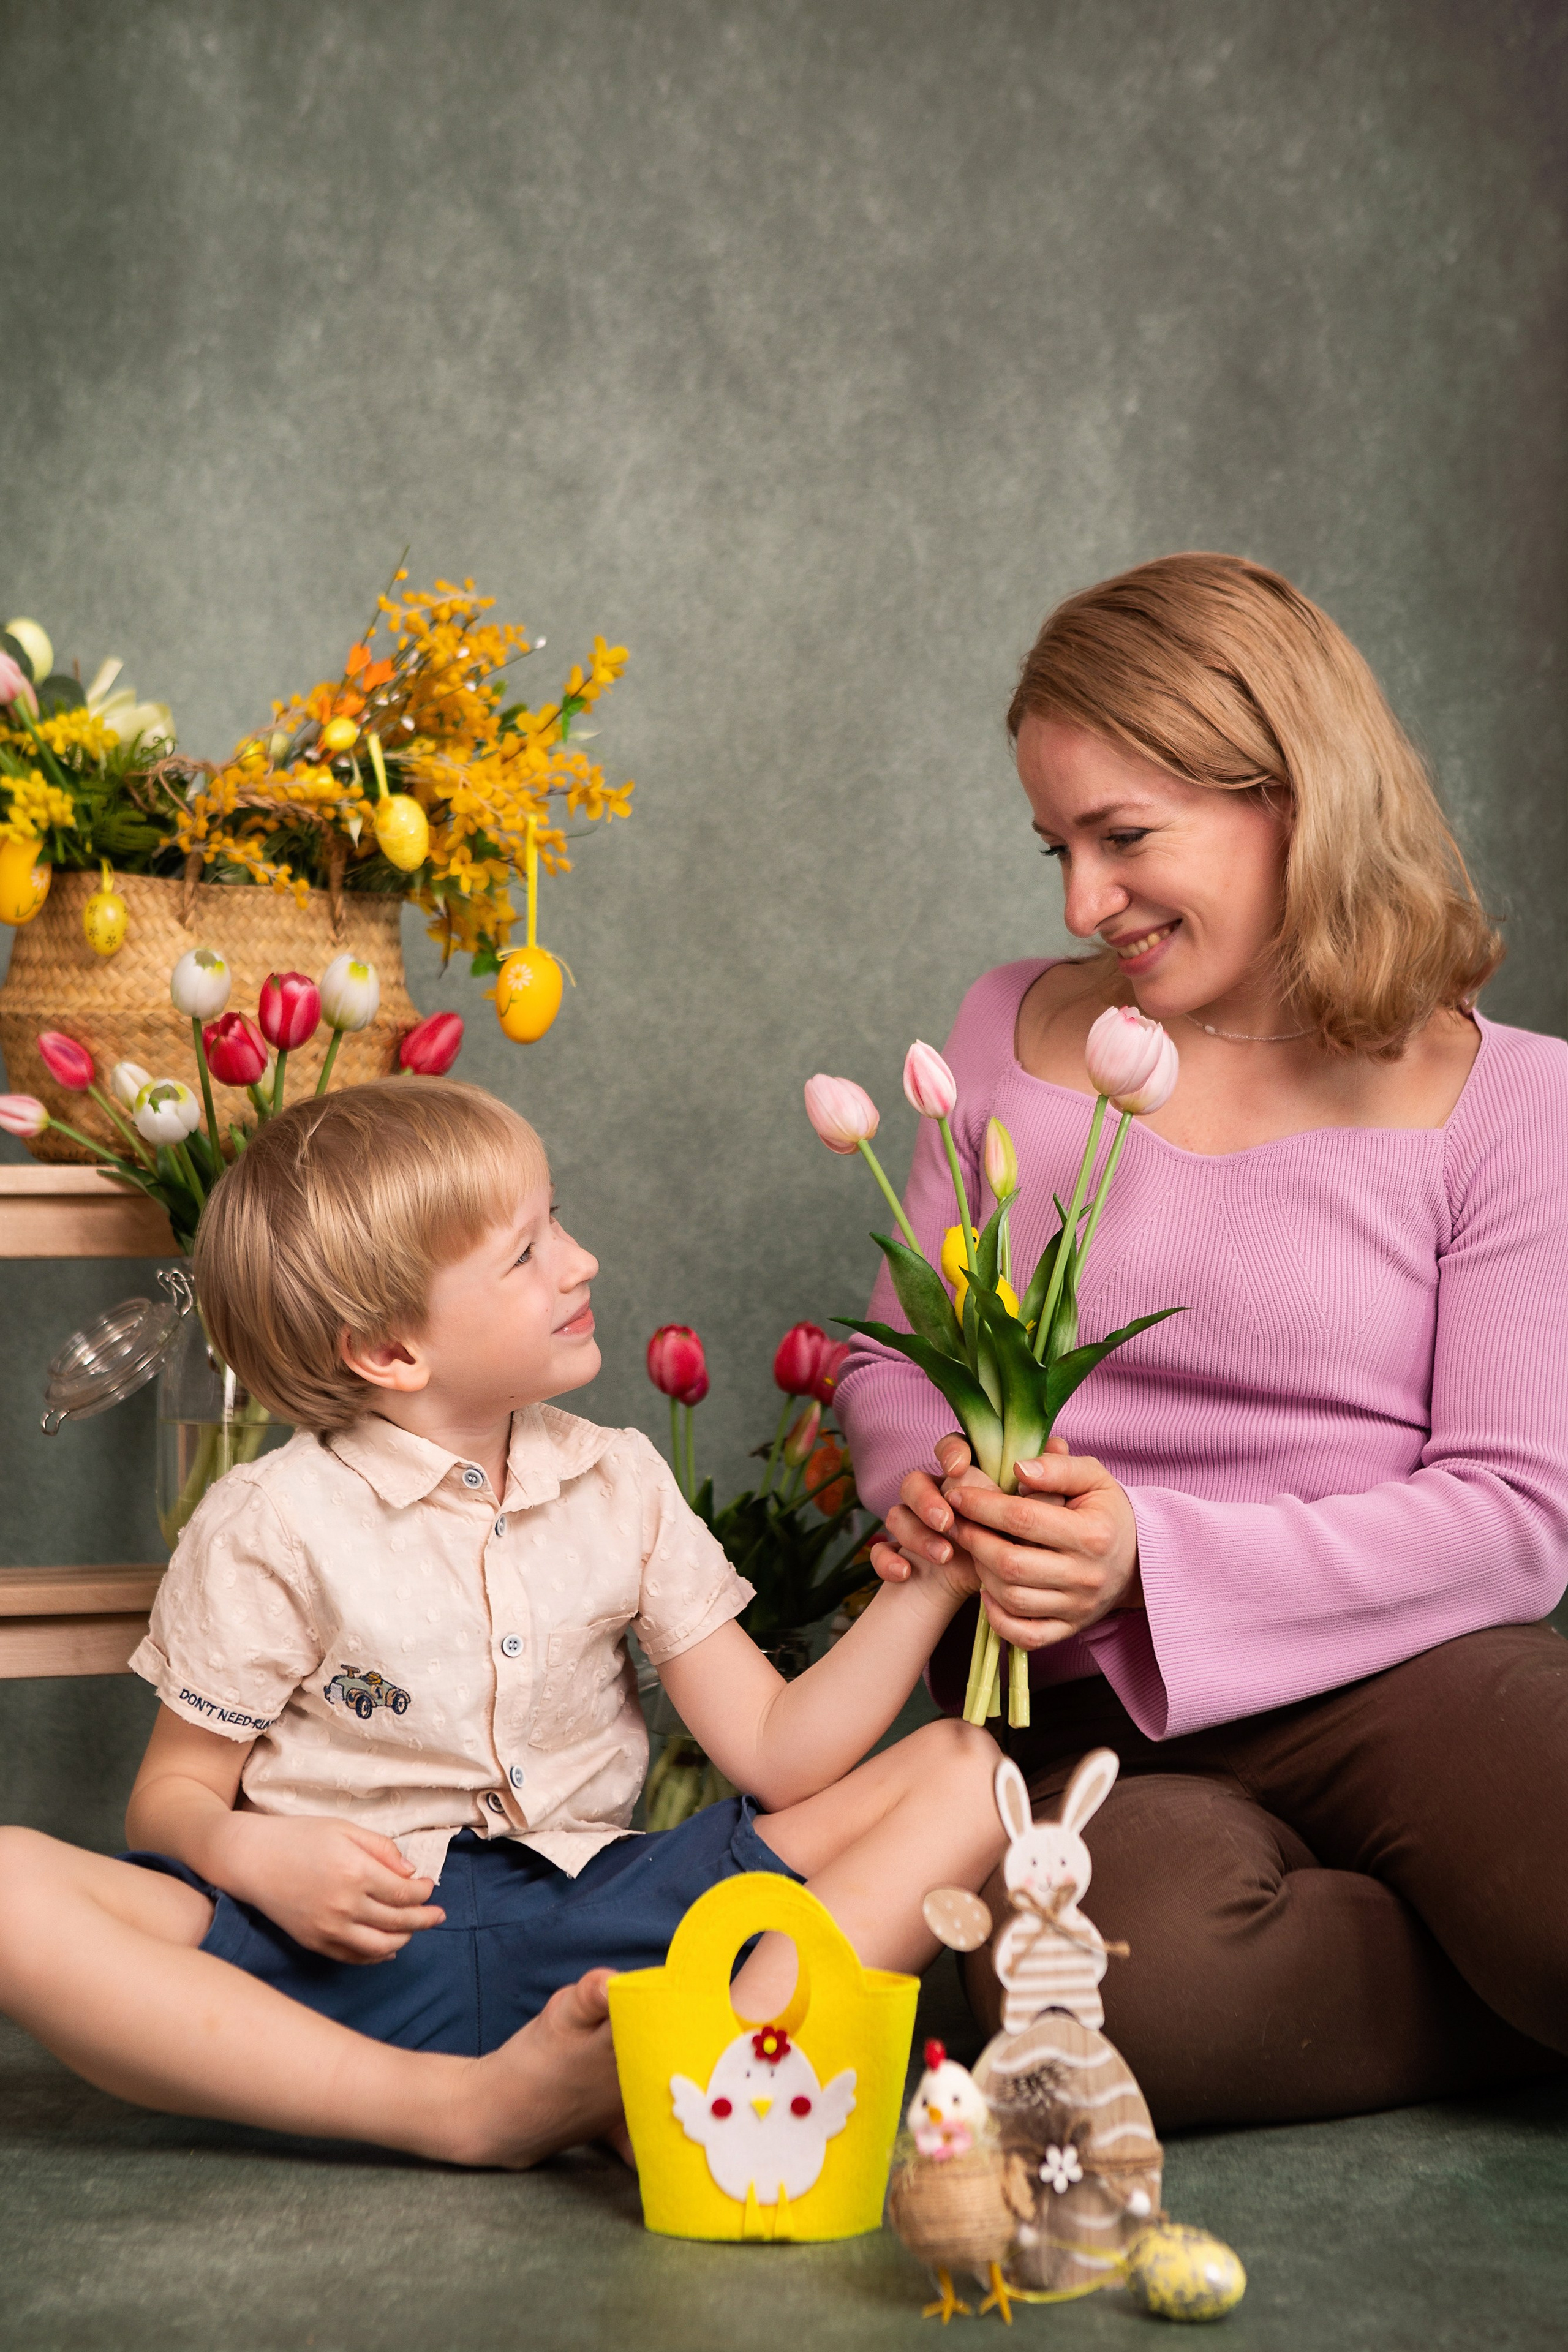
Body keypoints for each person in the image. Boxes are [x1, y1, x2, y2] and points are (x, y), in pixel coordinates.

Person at [837, 552, 1568, 2128]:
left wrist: (1147, 1559)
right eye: (1054, 845)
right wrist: (941, 1484)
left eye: (1123, 839)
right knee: (1118, 1998)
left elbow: (1514, 1522)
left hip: (1408, 1671)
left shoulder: (1513, 1099)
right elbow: (896, 1362)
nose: (1079, 903)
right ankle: (1510, 1988)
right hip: (1090, 1715)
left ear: (1293, 798)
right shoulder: (1007, 1027)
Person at [0, 1079, 1004, 2168]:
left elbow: (776, 1752)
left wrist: (937, 1581)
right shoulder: (269, 1523)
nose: (580, 1262)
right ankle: (447, 2107)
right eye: (525, 1253)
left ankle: (709, 2077)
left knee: (966, 1769)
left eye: (556, 1221)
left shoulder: (617, 1478)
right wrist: (249, 1851)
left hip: (606, 1919)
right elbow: (168, 1801)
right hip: (349, 1947)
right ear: (389, 1352)